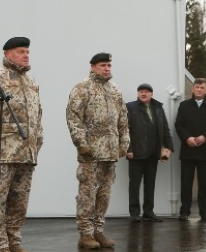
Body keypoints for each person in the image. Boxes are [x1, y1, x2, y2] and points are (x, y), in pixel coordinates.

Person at [0, 37, 43, 252]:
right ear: (7, 54)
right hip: (2, 153)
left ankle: (14, 241)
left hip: (26, 153)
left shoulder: (32, 82)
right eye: (20, 51)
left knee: (19, 201)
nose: (26, 55)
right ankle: (0, 245)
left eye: (27, 51)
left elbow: (37, 116)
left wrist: (38, 141)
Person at [66, 52, 129, 249]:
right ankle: (85, 234)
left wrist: (123, 144)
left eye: (109, 65)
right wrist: (81, 143)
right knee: (87, 194)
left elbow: (123, 121)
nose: (107, 68)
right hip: (91, 153)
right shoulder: (82, 88)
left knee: (104, 194)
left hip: (110, 154)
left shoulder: (115, 90)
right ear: (93, 67)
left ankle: (98, 231)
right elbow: (73, 117)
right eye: (103, 65)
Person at [125, 83, 174, 223]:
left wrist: (168, 146)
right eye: (141, 91)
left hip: (153, 153)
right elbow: (125, 131)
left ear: (151, 94)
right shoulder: (130, 107)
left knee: (150, 184)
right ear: (137, 94)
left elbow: (165, 128)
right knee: (134, 184)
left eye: (146, 91)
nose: (143, 94)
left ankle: (148, 212)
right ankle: (134, 213)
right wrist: (128, 149)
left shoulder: (158, 107)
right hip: (136, 153)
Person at [175, 78, 206, 222]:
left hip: (204, 151)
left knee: (204, 183)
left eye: (202, 87)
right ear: (193, 89)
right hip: (188, 151)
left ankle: (205, 212)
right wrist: (187, 138)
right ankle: (184, 212)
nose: (199, 89)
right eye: (197, 87)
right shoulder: (184, 106)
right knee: (186, 183)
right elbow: (179, 125)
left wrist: (204, 137)